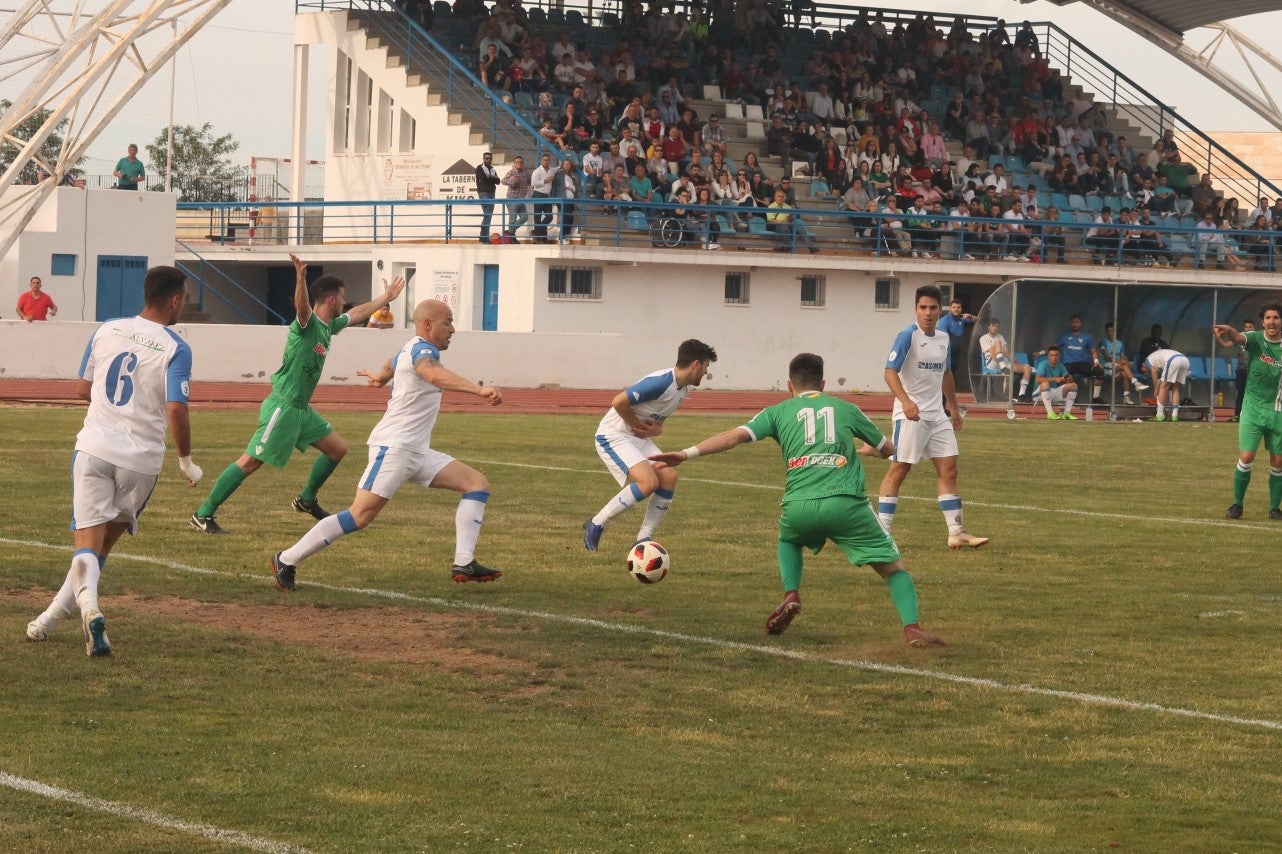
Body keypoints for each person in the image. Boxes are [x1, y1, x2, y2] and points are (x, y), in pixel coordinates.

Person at [648, 353, 946, 647]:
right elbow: (887, 448)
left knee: (788, 540)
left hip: (799, 506)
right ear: (824, 383)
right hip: (845, 504)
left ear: (790, 386)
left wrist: (686, 453)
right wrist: (870, 450)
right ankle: (912, 628)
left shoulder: (777, 412)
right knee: (895, 570)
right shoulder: (847, 408)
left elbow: (734, 436)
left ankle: (791, 593)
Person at [26, 266, 202, 655]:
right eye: (184, 299)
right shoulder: (177, 347)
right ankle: (56, 618)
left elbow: (80, 389)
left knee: (86, 544)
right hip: (141, 461)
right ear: (174, 300)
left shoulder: (107, 329)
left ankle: (76, 612)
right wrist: (186, 461)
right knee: (101, 547)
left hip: (94, 449)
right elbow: (176, 409)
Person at [270, 300, 503, 590]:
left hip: (415, 451)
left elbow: (390, 365)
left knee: (476, 484)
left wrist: (380, 378)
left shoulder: (409, 347)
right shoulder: (423, 351)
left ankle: (464, 562)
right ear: (428, 324)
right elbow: (431, 373)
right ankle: (286, 559)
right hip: (394, 449)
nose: (453, 329)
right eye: (448, 322)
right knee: (359, 515)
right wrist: (479, 389)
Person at [191, 256, 405, 534]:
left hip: (302, 409)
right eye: (342, 297)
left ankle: (306, 500)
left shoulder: (330, 326)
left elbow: (358, 313)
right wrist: (301, 279)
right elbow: (302, 308)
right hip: (283, 405)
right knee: (250, 461)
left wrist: (385, 297)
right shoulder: (306, 324)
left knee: (337, 450)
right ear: (330, 300)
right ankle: (203, 513)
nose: (345, 302)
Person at [876, 285, 988, 550]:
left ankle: (956, 532)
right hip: (911, 415)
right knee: (900, 469)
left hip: (937, 415)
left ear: (941, 310)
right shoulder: (907, 336)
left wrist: (954, 408)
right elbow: (890, 372)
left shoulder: (943, 337)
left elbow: (946, 374)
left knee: (949, 468)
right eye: (922, 308)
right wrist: (906, 402)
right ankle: (881, 532)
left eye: (933, 308)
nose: (927, 313)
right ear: (916, 309)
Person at [583, 339, 718, 552]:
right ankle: (596, 523)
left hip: (638, 439)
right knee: (648, 482)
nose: (707, 371)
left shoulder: (683, 390)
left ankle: (643, 538)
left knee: (669, 476)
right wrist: (635, 425)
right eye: (706, 366)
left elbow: (656, 419)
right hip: (613, 435)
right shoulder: (660, 382)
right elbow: (619, 401)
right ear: (695, 364)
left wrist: (657, 430)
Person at [1215, 306, 1282, 519]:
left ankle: (1274, 509)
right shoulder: (1254, 339)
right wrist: (1229, 330)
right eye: (1268, 318)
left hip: (1278, 411)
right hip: (1252, 410)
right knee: (1246, 456)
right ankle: (1237, 504)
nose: (1272, 322)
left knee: (1278, 461)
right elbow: (1237, 338)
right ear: (1262, 322)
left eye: (1276, 317)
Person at [979, 318, 1033, 402]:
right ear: (988, 327)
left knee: (1028, 368)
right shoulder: (983, 338)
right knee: (997, 342)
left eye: (997, 326)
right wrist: (1000, 350)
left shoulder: (1000, 336)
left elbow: (1006, 351)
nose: (995, 328)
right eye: (993, 326)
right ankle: (1003, 367)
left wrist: (1011, 358)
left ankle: (1021, 394)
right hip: (992, 362)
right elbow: (992, 354)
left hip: (1004, 361)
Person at [1096, 321, 1150, 404]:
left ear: (1115, 332)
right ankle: (1136, 383)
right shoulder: (1103, 342)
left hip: (1117, 366)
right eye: (1108, 331)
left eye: (1112, 331)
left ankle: (1126, 397)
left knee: (1124, 373)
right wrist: (1121, 362)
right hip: (1106, 367)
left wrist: (1125, 359)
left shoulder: (1120, 343)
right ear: (1106, 332)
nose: (1110, 333)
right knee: (1123, 366)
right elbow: (1107, 357)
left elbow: (1122, 356)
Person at [1057, 314, 1104, 404]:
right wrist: (1041, 353)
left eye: (1077, 322)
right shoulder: (1065, 336)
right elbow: (1054, 347)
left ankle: (1096, 397)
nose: (1075, 324)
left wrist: (1096, 362)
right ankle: (1072, 398)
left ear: (1080, 324)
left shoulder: (1087, 337)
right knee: (1065, 373)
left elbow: (1093, 351)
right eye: (1073, 322)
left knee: (1100, 371)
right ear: (1071, 324)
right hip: (1069, 364)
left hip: (1083, 364)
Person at [1144, 346, 1191, 422]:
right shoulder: (1157, 356)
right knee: (1175, 388)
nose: (1145, 372)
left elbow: (1153, 371)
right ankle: (1175, 415)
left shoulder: (1147, 361)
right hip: (1185, 360)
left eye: (1144, 370)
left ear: (1143, 365)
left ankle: (1159, 415)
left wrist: (1156, 389)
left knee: (1163, 387)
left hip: (1173, 360)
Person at [1036, 345, 1079, 420]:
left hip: (1052, 393)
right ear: (1048, 356)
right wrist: (1054, 379)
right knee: (1045, 384)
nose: (1054, 357)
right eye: (1052, 355)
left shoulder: (1061, 366)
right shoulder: (1043, 364)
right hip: (1039, 393)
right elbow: (1038, 380)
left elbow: (1068, 379)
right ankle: (1050, 413)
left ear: (1059, 356)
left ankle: (1067, 413)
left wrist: (1069, 378)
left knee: (1073, 385)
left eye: (1056, 355)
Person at [499, 155, 531, 240]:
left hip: (521, 199)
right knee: (512, 219)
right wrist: (511, 181)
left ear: (523, 163)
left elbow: (530, 182)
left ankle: (510, 232)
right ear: (514, 164)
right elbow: (503, 181)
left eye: (521, 162)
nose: (519, 164)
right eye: (517, 162)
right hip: (512, 199)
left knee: (525, 217)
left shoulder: (526, 173)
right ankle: (512, 238)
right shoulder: (511, 172)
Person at [1231, 319, 1255, 422]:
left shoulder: (1256, 338)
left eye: (1250, 327)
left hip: (1252, 371)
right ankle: (1238, 415)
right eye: (1246, 327)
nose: (1248, 329)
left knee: (1253, 393)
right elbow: (1229, 343)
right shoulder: (1240, 338)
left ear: (1254, 328)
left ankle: (1252, 415)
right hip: (1241, 370)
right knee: (1240, 393)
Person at [475, 151, 500, 242]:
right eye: (487, 158)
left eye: (490, 158)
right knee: (488, 215)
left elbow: (498, 181)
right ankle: (485, 238)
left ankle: (482, 237)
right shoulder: (479, 168)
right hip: (484, 193)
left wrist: (490, 177)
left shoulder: (492, 169)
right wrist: (492, 178)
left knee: (487, 215)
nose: (488, 160)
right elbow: (483, 178)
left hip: (492, 193)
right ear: (483, 159)